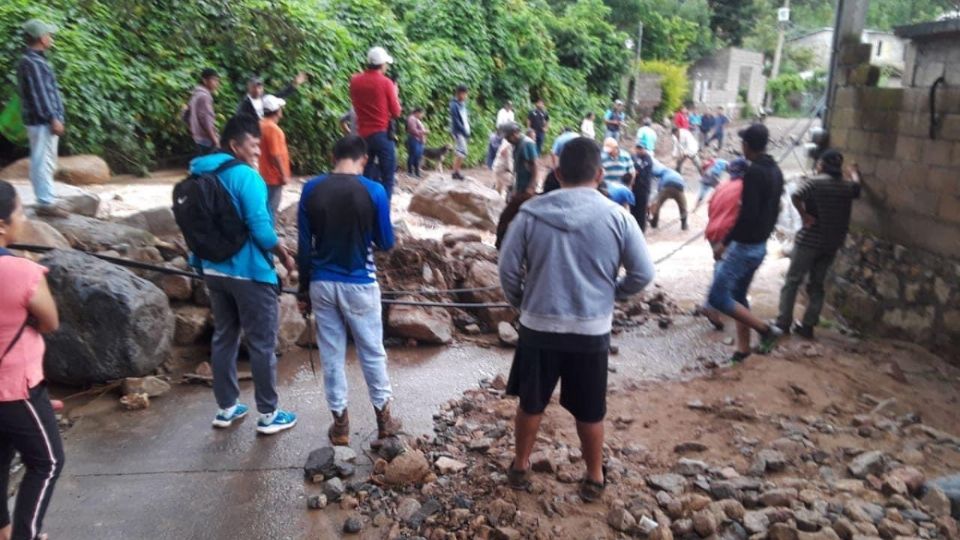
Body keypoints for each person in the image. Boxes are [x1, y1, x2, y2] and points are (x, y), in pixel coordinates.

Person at [498, 137, 654, 503]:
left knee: (531, 402)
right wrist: (613, 293)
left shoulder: (529, 215)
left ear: (557, 172)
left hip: (538, 327)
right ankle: (594, 476)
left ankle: (520, 466)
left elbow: (506, 270)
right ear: (599, 174)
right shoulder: (618, 217)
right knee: (589, 407)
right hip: (590, 331)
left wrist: (523, 301)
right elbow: (643, 274)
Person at [190, 114, 298, 435]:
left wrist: (197, 263)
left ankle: (226, 408)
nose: (257, 153)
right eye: (252, 146)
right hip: (250, 272)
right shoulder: (246, 178)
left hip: (213, 270)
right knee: (262, 343)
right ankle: (268, 414)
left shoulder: (198, 175)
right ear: (235, 146)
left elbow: (194, 227)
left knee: (224, 337)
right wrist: (283, 254)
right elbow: (262, 231)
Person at [296, 135, 401, 445]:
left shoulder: (311, 188)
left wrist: (303, 289)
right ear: (364, 159)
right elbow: (386, 242)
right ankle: (384, 421)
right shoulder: (374, 191)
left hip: (322, 284)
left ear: (333, 156)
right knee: (371, 352)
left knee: (331, 353)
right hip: (360, 283)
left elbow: (304, 246)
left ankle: (340, 425)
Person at [0, 180, 64, 540]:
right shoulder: (21, 272)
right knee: (48, 461)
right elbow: (50, 321)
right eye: (20, 211)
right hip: (16, 389)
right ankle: (26, 534)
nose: (23, 218)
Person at [706, 124, 784, 363]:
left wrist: (724, 243)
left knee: (718, 297)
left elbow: (747, 215)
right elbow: (774, 209)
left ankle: (766, 330)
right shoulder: (776, 171)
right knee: (739, 296)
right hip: (760, 246)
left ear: (747, 146)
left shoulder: (753, 173)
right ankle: (743, 349)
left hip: (745, 246)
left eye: (743, 144)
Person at [775, 151, 861, 339]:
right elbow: (857, 188)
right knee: (817, 284)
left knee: (793, 280)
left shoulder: (815, 182)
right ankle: (808, 326)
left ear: (822, 164)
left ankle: (783, 323)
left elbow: (796, 195)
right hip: (832, 242)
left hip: (809, 240)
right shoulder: (846, 186)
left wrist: (804, 215)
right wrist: (854, 172)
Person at [17, 19, 68, 218]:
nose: (51, 38)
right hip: (42, 122)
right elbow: (41, 94)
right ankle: (45, 202)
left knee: (46, 160)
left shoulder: (33, 60)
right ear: (41, 38)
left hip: (40, 121)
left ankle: (46, 198)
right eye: (49, 35)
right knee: (43, 161)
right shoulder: (33, 63)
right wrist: (53, 118)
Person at [700, 158, 749, 331]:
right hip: (728, 234)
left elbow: (710, 209)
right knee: (724, 270)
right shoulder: (746, 187)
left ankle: (722, 302)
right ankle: (711, 305)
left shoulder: (721, 186)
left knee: (722, 267)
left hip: (713, 230)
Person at [350, 46, 402, 198]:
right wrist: (395, 94)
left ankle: (365, 210)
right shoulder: (386, 83)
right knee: (387, 176)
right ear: (382, 64)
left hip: (363, 135)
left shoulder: (355, 81)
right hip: (381, 134)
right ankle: (382, 214)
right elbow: (396, 112)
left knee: (366, 174)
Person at [258, 95, 291, 218]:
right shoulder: (273, 129)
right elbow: (275, 155)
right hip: (273, 176)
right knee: (271, 208)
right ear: (277, 111)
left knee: (264, 206)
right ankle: (267, 234)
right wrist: (284, 175)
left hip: (262, 173)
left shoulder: (260, 124)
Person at [236, 73, 307, 119]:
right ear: (249, 88)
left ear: (263, 88)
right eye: (254, 87)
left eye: (259, 87)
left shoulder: (265, 99)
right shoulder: (244, 104)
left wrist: (294, 84)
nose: (257, 90)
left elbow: (281, 94)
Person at [186, 68, 221, 157]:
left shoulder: (195, 94)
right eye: (214, 80)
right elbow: (207, 121)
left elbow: (186, 114)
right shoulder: (205, 97)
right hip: (206, 141)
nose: (216, 83)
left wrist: (193, 129)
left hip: (198, 139)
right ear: (205, 80)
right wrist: (215, 140)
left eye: (217, 80)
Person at [648, 159, 689, 231]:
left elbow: (655, 173)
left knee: (657, 205)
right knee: (683, 207)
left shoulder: (665, 170)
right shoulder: (678, 175)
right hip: (679, 187)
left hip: (667, 185)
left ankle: (654, 224)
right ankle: (684, 225)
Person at [504, 123, 538, 198]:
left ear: (514, 134)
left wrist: (531, 185)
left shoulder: (527, 143)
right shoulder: (516, 144)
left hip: (527, 184)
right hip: (519, 182)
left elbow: (534, 165)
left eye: (508, 138)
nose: (507, 140)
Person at [631, 142, 654, 232]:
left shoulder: (648, 159)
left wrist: (636, 168)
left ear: (645, 149)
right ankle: (633, 229)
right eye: (638, 148)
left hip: (644, 188)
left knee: (641, 210)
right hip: (634, 188)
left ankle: (641, 230)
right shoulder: (634, 157)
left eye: (641, 149)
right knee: (633, 209)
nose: (639, 150)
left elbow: (640, 169)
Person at [449, 85, 471, 180]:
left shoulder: (462, 104)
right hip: (458, 131)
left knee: (460, 151)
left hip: (463, 130)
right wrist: (464, 131)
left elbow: (465, 119)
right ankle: (456, 171)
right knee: (462, 151)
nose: (466, 96)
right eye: (465, 94)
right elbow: (456, 121)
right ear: (459, 93)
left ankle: (456, 171)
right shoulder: (454, 105)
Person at [492, 128, 514, 197]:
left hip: (497, 168)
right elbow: (508, 160)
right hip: (501, 169)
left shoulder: (505, 141)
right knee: (512, 183)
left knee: (499, 188)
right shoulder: (508, 144)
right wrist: (512, 170)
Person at [405, 107, 427, 177]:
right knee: (413, 156)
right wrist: (423, 132)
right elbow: (413, 130)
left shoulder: (416, 119)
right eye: (422, 114)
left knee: (417, 157)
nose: (422, 115)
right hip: (414, 139)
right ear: (417, 112)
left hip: (418, 141)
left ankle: (417, 172)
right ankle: (410, 172)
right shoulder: (411, 119)